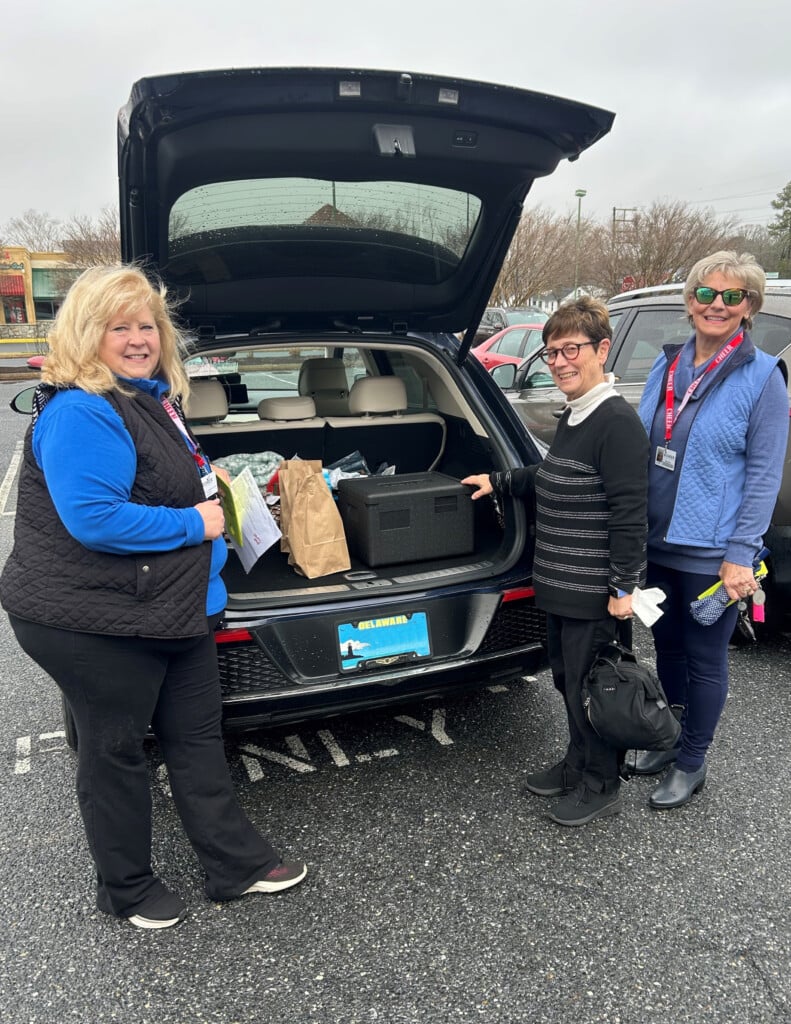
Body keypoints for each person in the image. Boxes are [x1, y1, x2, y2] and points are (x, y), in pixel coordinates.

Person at [0, 264, 307, 929]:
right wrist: (196, 522)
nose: (138, 337)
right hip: (92, 618)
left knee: (195, 737)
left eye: (147, 325)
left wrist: (208, 482)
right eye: (120, 326)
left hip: (171, 605)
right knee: (114, 751)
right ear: (89, 333)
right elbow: (95, 519)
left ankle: (235, 865)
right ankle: (127, 890)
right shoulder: (83, 409)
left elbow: (157, 480)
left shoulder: (146, 396)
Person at [463, 297, 649, 826]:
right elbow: (552, 476)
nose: (561, 361)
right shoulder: (577, 415)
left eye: (572, 349)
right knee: (569, 681)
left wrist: (622, 588)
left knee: (596, 687)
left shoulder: (616, 423)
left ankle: (601, 783)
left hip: (594, 590)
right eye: (552, 353)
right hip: (560, 583)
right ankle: (575, 764)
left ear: (601, 349)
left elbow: (630, 514)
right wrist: (499, 481)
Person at [633, 251, 789, 809]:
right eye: (706, 293)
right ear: (690, 300)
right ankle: (670, 737)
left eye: (732, 296)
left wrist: (742, 555)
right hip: (656, 540)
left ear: (749, 307)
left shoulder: (763, 377)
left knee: (704, 657)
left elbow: (765, 477)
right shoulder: (666, 364)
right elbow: (645, 443)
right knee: (666, 645)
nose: (716, 305)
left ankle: (693, 760)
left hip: (713, 550)